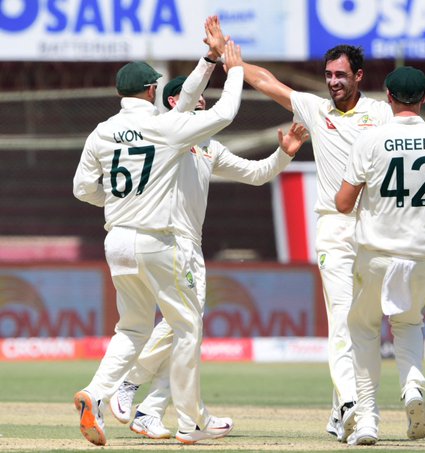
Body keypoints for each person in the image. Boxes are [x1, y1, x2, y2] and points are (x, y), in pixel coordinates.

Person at [71, 18, 244, 446]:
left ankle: (96, 395)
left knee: (131, 329)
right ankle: (191, 423)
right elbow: (224, 112)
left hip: (118, 241)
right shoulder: (165, 128)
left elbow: (81, 189)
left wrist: (208, 60)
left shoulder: (102, 131)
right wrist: (232, 68)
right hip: (156, 240)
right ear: (152, 91)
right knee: (186, 329)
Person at [107, 74, 309, 439]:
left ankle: (150, 411)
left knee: (187, 332)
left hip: (190, 247)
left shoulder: (208, 148)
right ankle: (132, 384)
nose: (201, 102)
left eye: (204, 98)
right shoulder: (165, 135)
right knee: (183, 327)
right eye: (194, 98)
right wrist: (219, 68)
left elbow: (256, 174)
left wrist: (285, 152)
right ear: (173, 103)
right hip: (166, 241)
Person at [242, 45, 393, 442]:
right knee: (342, 317)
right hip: (334, 227)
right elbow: (266, 82)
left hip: (375, 229)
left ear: (359, 76)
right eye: (328, 75)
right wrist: (228, 59)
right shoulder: (315, 109)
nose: (333, 82)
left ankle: (337, 413)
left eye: (341, 75)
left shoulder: (380, 113)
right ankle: (350, 404)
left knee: (366, 326)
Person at [335, 67, 425, 446]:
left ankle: (368, 419)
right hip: (422, 257)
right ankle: (413, 388)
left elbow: (343, 203)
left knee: (364, 329)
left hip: (376, 254)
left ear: (388, 96)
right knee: (409, 323)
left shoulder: (371, 140)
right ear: (424, 98)